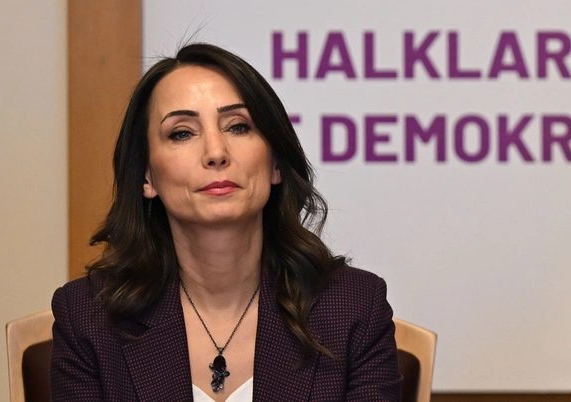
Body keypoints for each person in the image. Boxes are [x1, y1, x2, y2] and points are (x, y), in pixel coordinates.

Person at [50, 43, 402, 401]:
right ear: (147, 176)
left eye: (238, 127)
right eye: (182, 133)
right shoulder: (87, 318)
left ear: (275, 163)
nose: (216, 153)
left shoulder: (354, 307)